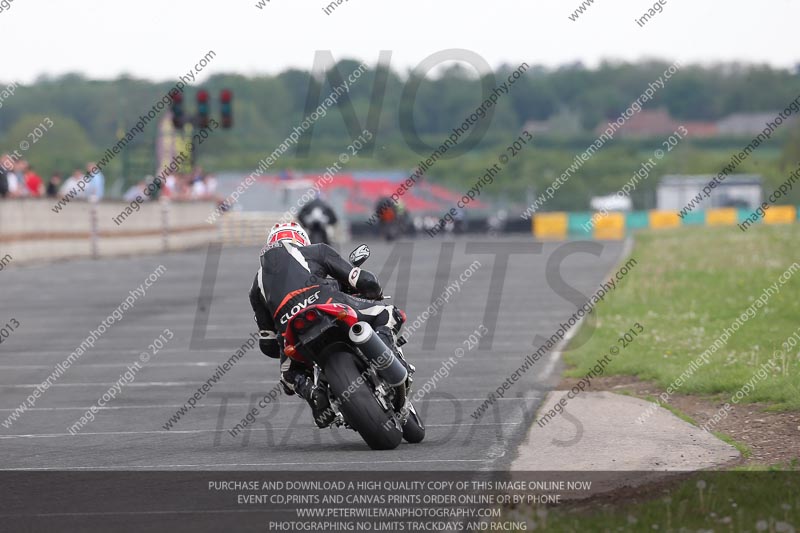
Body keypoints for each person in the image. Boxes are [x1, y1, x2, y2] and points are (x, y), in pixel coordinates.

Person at [248, 222, 407, 427]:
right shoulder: (316, 251)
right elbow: (363, 281)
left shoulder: (257, 285)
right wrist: (374, 292)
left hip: (293, 331)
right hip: (329, 305)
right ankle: (387, 356)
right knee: (389, 313)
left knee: (288, 376)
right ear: (301, 240)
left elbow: (267, 343)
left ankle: (313, 392)